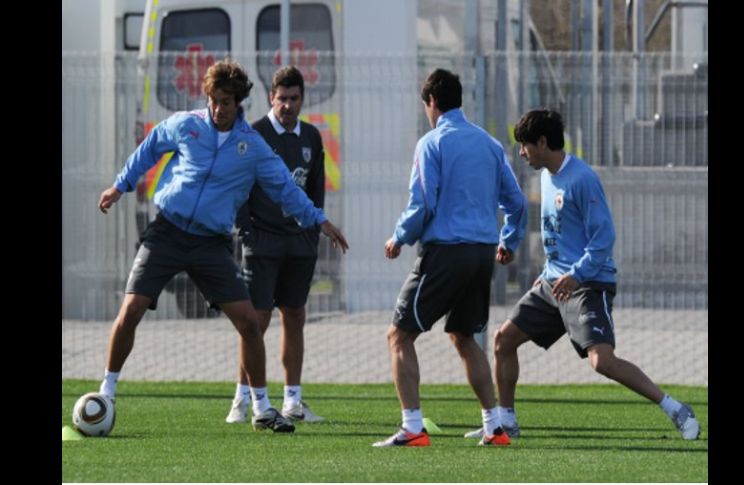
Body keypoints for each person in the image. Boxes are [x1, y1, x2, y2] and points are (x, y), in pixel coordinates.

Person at [96, 59, 349, 434]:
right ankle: (106, 393)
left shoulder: (253, 147)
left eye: (226, 102)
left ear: (239, 102)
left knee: (249, 322)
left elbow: (285, 189)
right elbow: (149, 148)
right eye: (214, 100)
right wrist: (121, 185)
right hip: (167, 232)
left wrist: (319, 220)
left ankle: (262, 408)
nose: (218, 108)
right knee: (131, 309)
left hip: (210, 244)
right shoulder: (186, 124)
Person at [464, 108, 700, 440]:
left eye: (524, 145)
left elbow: (603, 238)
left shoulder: (582, 179)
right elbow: (559, 234)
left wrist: (575, 275)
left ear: (543, 142)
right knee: (504, 340)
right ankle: (506, 422)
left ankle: (674, 407)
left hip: (587, 283)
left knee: (601, 362)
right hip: (552, 283)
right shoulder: (545, 176)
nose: (521, 153)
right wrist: (548, 271)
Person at [372, 69, 528, 448]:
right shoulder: (490, 145)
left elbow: (423, 201)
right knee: (463, 336)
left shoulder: (431, 142)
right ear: (460, 100)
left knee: (399, 335)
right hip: (481, 253)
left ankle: (412, 427)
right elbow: (517, 201)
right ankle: (493, 426)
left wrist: (399, 237)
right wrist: (509, 239)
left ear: (431, 103)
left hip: (447, 252)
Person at [225, 66, 326, 424]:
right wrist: (248, 234)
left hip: (299, 244)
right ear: (271, 97)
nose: (287, 105)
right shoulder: (254, 134)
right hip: (262, 242)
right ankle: (242, 398)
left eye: (294, 98)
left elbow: (315, 190)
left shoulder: (312, 137)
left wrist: (312, 233)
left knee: (295, 317)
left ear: (302, 99)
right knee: (255, 321)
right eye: (281, 98)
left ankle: (293, 401)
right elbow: (239, 189)